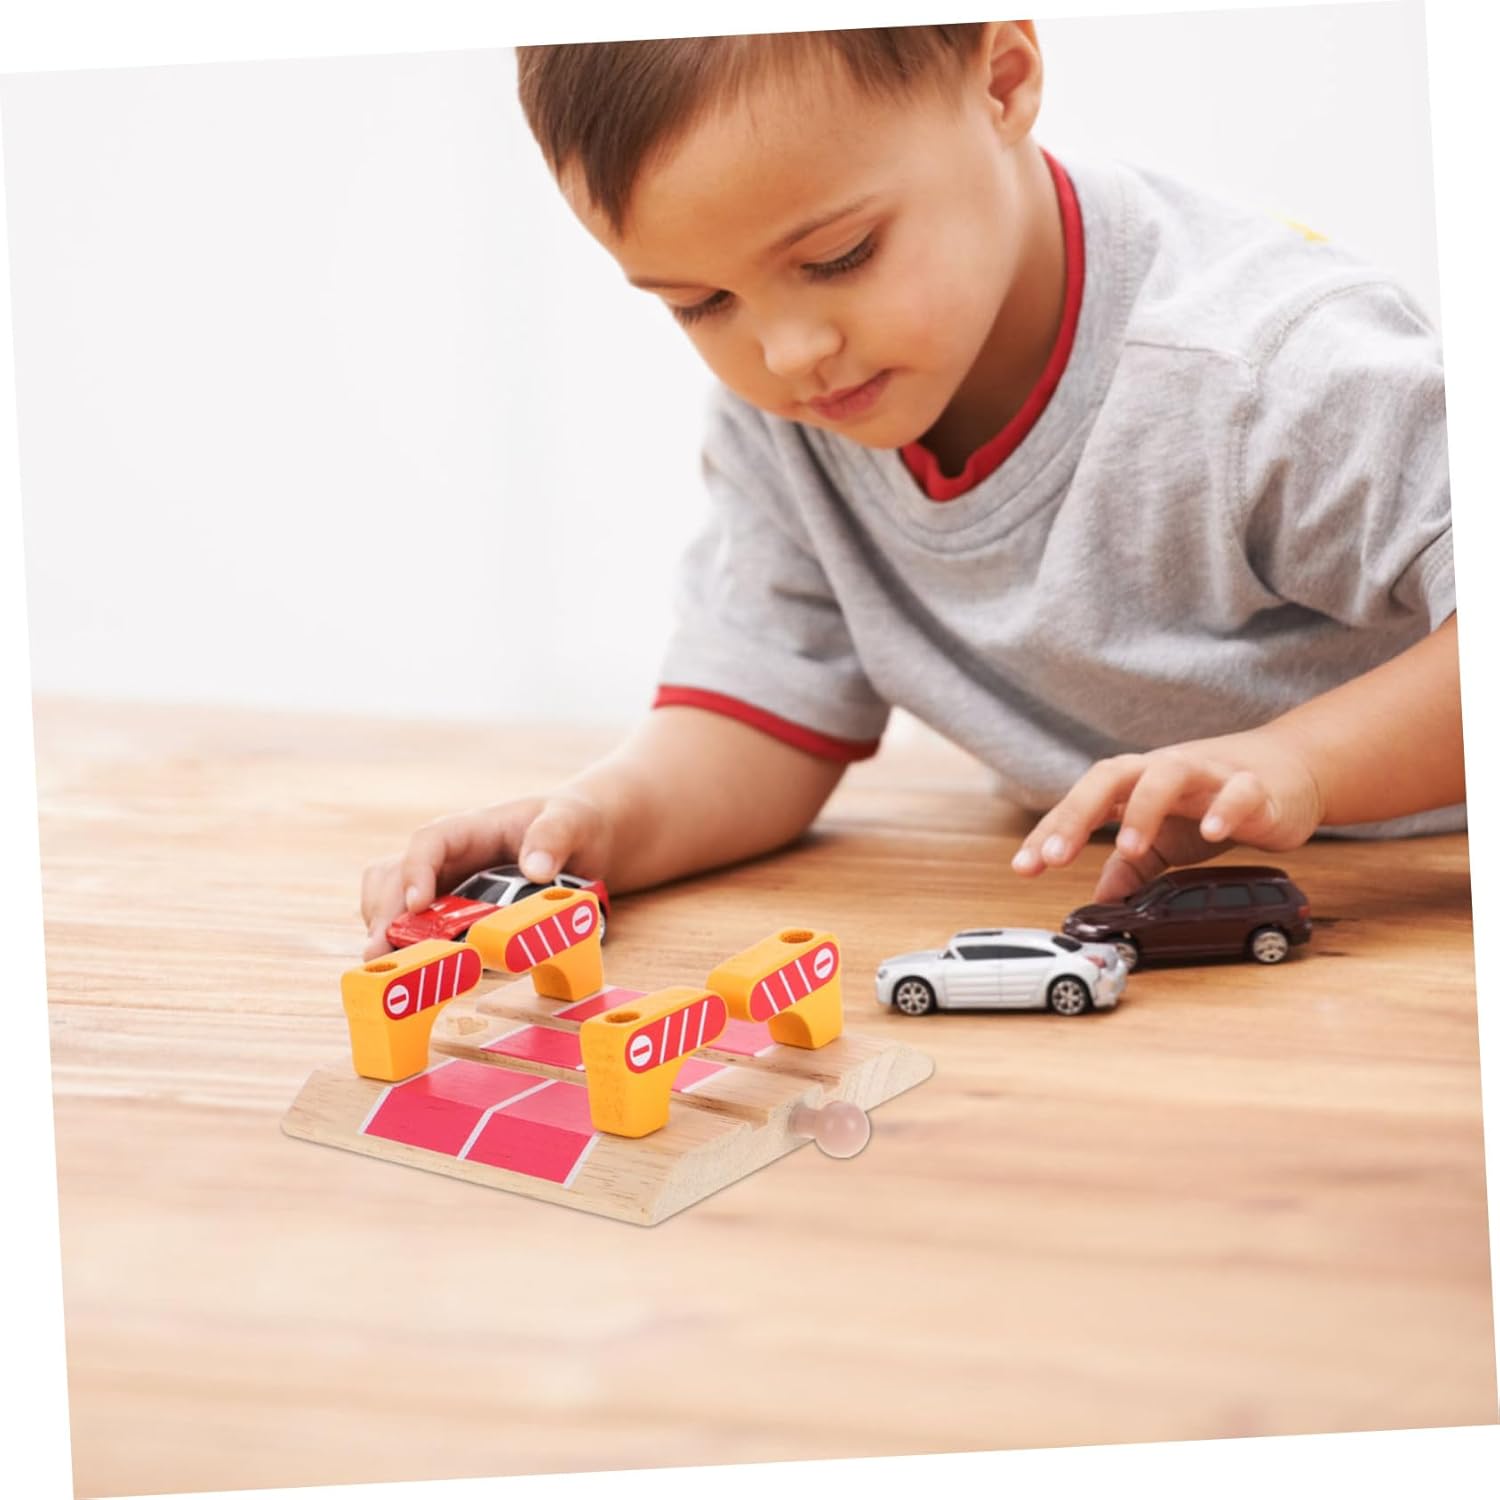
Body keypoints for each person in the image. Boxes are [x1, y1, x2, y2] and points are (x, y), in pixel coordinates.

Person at [359, 22, 1462, 959]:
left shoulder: (1262, 366)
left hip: (1421, 894)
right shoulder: (796, 412)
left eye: (839, 256)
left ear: (1002, 83)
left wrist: (1299, 765)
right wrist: (590, 826)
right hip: (1144, 921)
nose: (788, 351)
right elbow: (766, 714)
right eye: (700, 303)